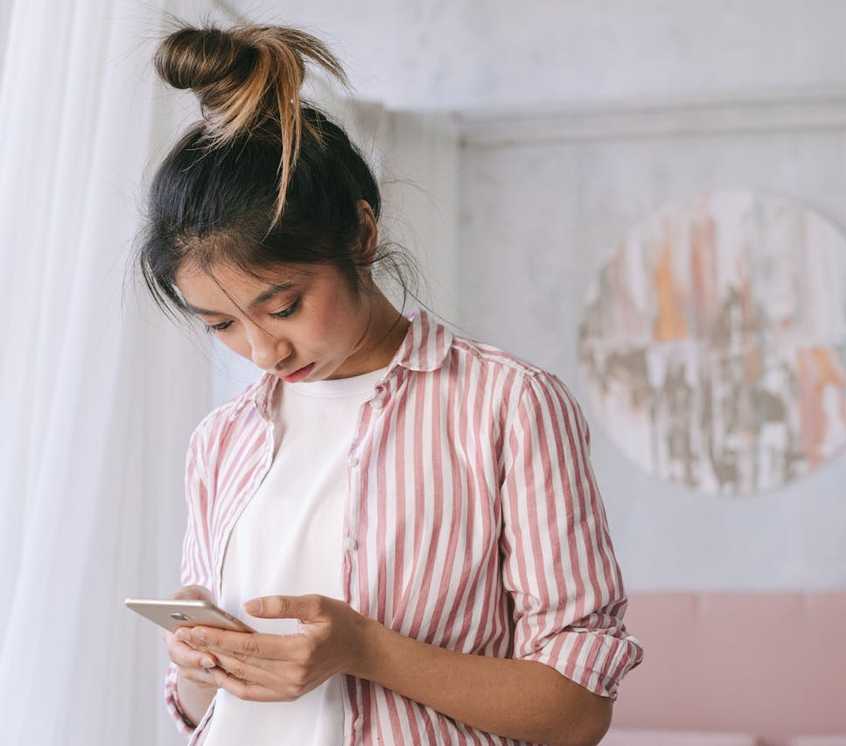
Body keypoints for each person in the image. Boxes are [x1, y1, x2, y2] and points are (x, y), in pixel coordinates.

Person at [134, 19, 644, 746]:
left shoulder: (506, 405)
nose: (262, 350)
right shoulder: (223, 439)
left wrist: (365, 650)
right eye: (221, 324)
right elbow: (194, 711)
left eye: (284, 306)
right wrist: (198, 662)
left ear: (361, 234)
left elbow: (576, 710)